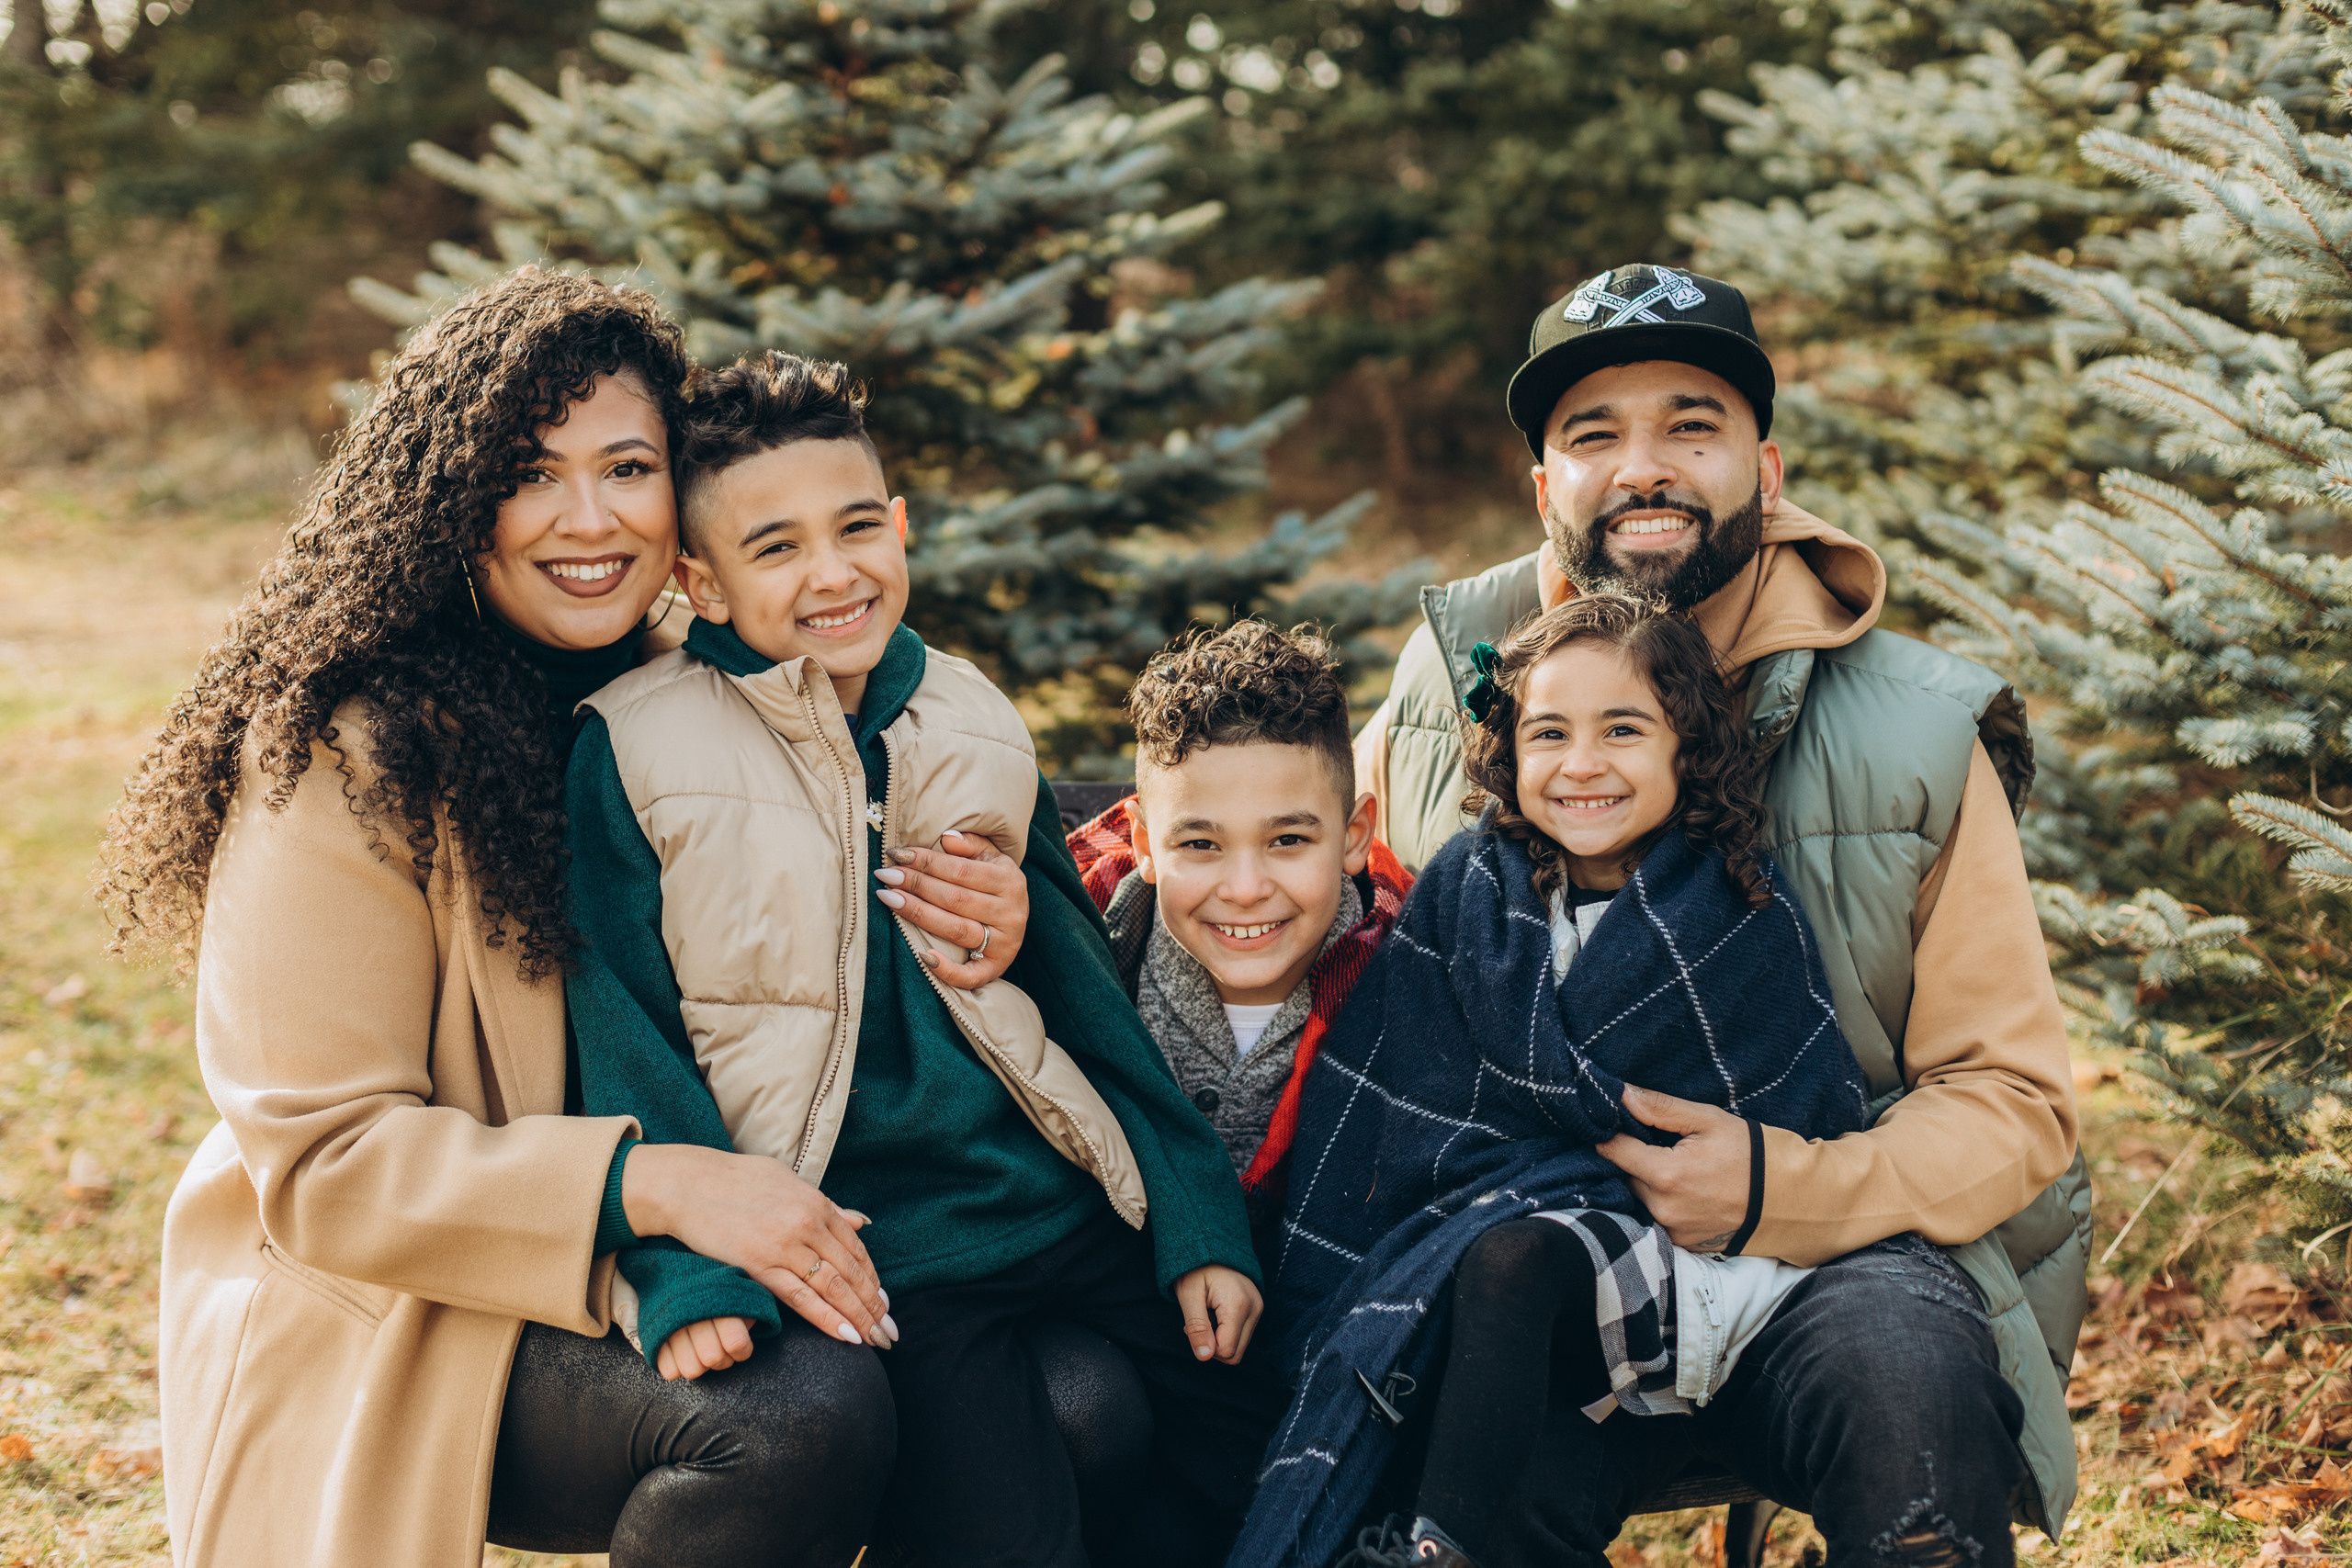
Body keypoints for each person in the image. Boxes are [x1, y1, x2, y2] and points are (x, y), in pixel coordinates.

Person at [100, 269, 1075, 1567]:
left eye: (628, 466)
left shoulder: (705, 695)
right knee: (791, 1415)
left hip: (693, 1246)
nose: (590, 517)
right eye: (533, 470)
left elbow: (826, 956)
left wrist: (989, 918)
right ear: (455, 497)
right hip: (416, 1307)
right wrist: (655, 1178)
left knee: (1078, 1395)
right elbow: (330, 1167)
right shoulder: (349, 753)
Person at [1345, 264, 2087, 1566]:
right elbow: (1301, 909)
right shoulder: (1443, 689)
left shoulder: (1912, 729)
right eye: (1593, 434)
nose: (1646, 467)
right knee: (1444, 1438)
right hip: (1527, 1257)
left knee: (1910, 1403)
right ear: (1542, 489)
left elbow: (2013, 1098)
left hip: (1836, 1254)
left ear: (1765, 463)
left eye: (1692, 423)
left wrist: (1778, 1184)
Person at [562, 348, 1283, 1568]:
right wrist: (683, 1274)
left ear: (901, 527)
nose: (833, 572)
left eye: (857, 528)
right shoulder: (635, 746)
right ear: (704, 580)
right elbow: (622, 1030)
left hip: (1057, 1199)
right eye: (777, 546)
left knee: (1262, 1423)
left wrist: (1198, 1218)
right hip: (882, 1250)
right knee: (1005, 1531)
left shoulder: (970, 716)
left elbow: (1085, 1000)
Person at [1236, 593, 1900, 1568]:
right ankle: (1427, 1535)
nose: (1581, 764)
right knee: (1492, 1262)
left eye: (1622, 730)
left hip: (1688, 1268)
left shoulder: (1737, 906)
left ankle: (1434, 1551)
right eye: (1549, 733)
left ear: (1687, 747)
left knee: (1513, 1257)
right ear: (1510, 749)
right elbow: (1393, 1090)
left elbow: (1801, 1103)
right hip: (1481, 1251)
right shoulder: (1468, 890)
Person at [1066, 619, 1411, 1270]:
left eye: (1287, 840)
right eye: (1201, 844)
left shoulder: (1417, 982)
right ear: (1143, 843)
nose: (1246, 889)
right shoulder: (1076, 960)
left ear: (1355, 833)